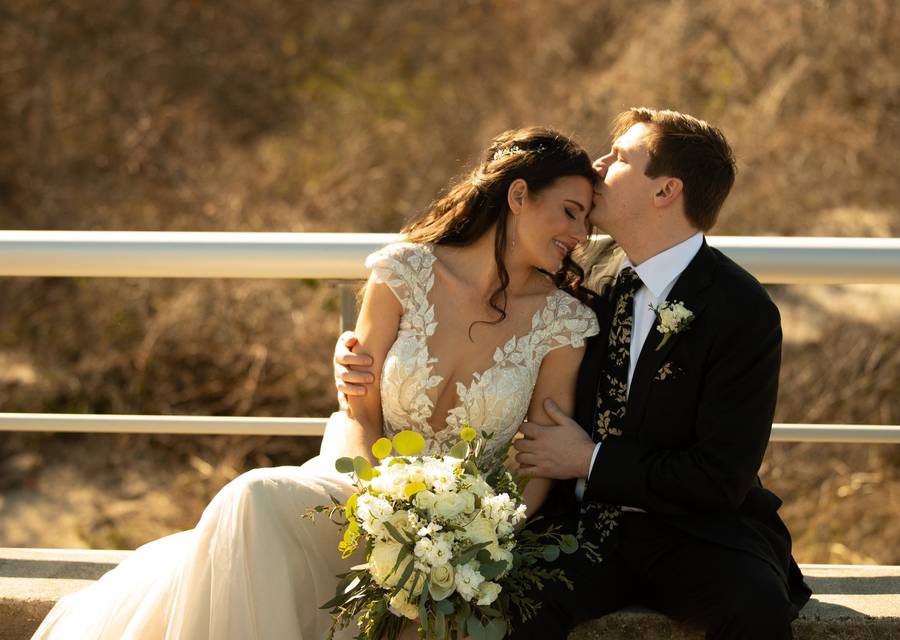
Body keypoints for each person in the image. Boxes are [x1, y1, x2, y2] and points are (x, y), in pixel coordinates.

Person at [30, 127, 600, 640]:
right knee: (252, 498)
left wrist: (485, 544)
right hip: (360, 490)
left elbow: (538, 458)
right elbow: (359, 411)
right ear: (519, 195)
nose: (579, 235)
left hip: (467, 541)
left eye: (588, 222)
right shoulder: (404, 270)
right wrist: (382, 509)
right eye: (570, 213)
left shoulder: (562, 322)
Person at [335, 108, 813, 640]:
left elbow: (721, 478)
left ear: (665, 191)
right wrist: (362, 358)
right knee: (503, 608)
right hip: (578, 532)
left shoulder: (739, 308)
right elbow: (486, 313)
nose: (601, 163)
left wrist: (590, 459)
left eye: (622, 157)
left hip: (698, 533)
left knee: (755, 608)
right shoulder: (579, 277)